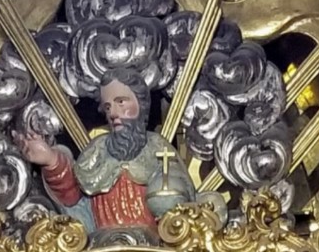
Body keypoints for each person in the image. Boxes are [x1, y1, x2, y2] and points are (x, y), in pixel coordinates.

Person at [15, 75, 194, 243]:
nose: (113, 113)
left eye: (121, 102)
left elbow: (181, 199)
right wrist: (51, 161)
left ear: (141, 103)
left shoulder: (158, 148)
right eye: (108, 107)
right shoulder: (97, 150)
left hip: (153, 249)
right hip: (103, 249)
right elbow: (72, 199)